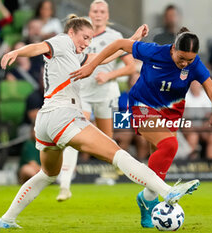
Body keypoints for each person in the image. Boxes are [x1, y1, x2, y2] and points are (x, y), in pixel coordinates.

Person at [0, 15, 200, 229]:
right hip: (63, 115)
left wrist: (132, 40)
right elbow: (40, 46)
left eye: (90, 38)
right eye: (84, 37)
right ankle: (167, 191)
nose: (86, 43)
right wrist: (17, 51)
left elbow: (103, 58)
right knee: (117, 153)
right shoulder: (63, 41)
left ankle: (6, 220)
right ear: (72, 32)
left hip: (46, 119)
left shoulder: (72, 55)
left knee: (48, 174)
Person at [71, 27, 212, 228]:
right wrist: (92, 67)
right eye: (182, 58)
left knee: (159, 162)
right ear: (173, 48)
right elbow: (118, 44)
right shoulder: (153, 51)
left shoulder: (195, 64)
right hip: (142, 107)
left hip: (170, 115)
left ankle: (146, 200)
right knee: (170, 145)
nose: (185, 63)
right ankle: (161, 193)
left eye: (190, 60)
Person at [56, 0, 136, 202]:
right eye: (95, 11)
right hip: (83, 92)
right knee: (75, 132)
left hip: (105, 93)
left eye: (102, 11)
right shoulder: (80, 35)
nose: (98, 14)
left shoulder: (114, 37)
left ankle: (123, 172)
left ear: (107, 16)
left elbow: (130, 67)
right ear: (89, 14)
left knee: (106, 139)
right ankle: (65, 184)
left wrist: (109, 76)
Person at [183, 81, 212, 160]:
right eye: (193, 83)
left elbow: (209, 116)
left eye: (197, 83)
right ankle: (190, 164)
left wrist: (203, 127)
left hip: (202, 128)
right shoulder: (184, 95)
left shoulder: (206, 96)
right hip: (189, 128)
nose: (195, 85)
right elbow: (184, 118)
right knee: (193, 136)